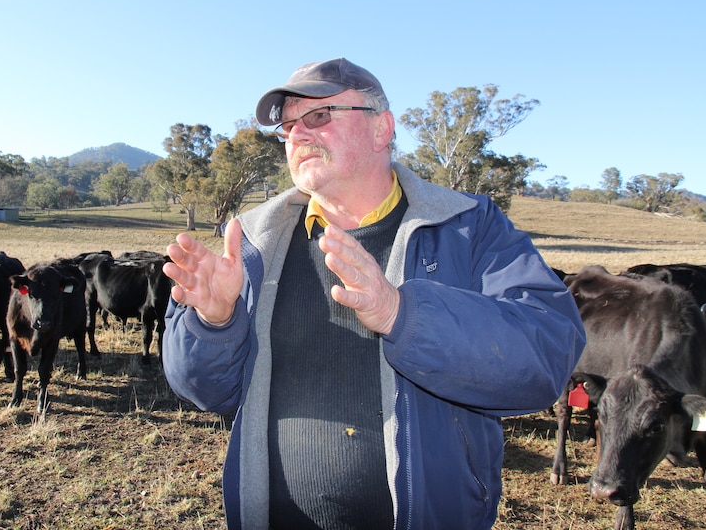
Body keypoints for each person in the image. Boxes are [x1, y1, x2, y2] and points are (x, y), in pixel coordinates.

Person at [161, 57, 585, 530]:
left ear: (382, 128)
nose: (298, 134)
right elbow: (205, 392)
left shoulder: (467, 226)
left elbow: (547, 355)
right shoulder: (254, 242)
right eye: (288, 125)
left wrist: (403, 314)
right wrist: (215, 324)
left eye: (319, 116)